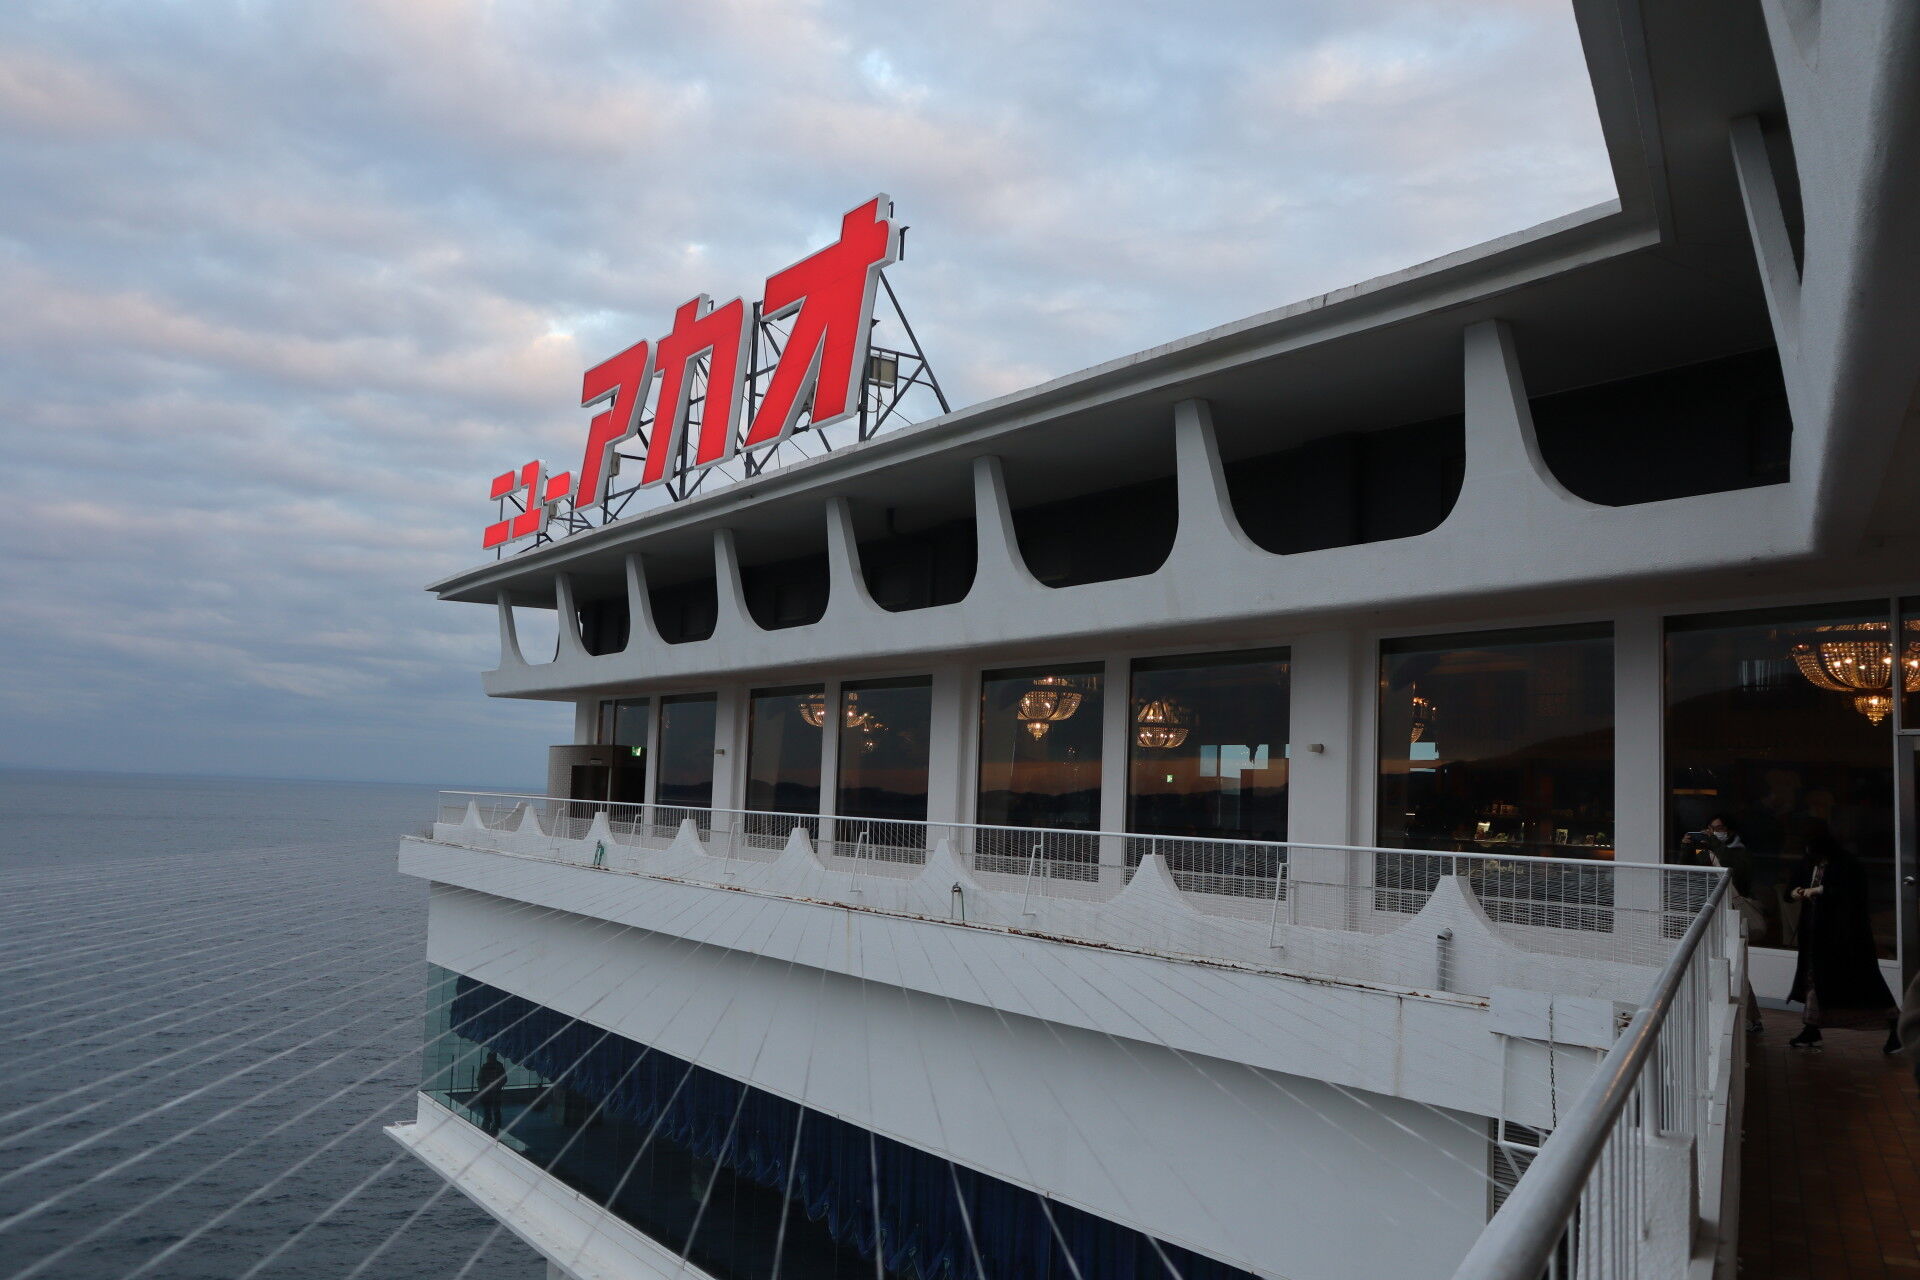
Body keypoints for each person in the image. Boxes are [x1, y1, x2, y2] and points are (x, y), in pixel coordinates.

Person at [1785, 836, 1898, 1051]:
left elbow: (1849, 894)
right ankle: (1811, 1028)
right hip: (1817, 935)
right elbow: (1791, 889)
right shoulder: (1810, 863)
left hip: (1845, 936)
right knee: (1815, 979)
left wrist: (1819, 890)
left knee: (1864, 981)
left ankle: (1895, 1024)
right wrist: (1797, 892)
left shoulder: (1846, 865)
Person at [1679, 815, 1763, 1033]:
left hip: (1732, 914)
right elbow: (1690, 871)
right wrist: (1687, 848)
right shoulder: (1705, 850)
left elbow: (1733, 868)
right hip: (1711, 913)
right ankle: (1742, 1016)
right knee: (1713, 963)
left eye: (1719, 828)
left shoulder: (1738, 849)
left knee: (1734, 965)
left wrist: (1714, 842)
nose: (1714, 832)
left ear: (1729, 830)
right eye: (1711, 828)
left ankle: (1749, 1017)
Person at [474, 1051, 507, 1132]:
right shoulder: (499, 1066)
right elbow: (504, 1079)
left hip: (488, 1093)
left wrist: (484, 1087)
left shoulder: (485, 1067)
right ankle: (495, 1130)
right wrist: (497, 1085)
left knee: (489, 1112)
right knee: (495, 1112)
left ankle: (487, 1130)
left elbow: (479, 1080)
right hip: (495, 1092)